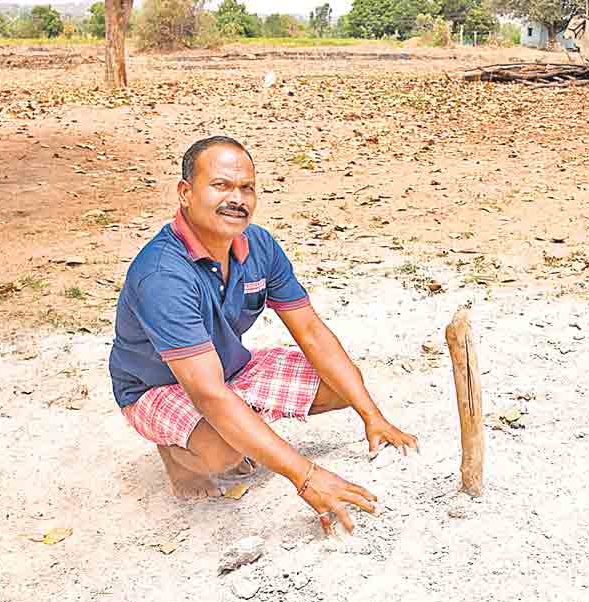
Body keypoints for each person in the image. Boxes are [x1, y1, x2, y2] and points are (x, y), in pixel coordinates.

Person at [109, 136, 418, 534]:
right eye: (220, 185)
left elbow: (309, 329)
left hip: (225, 368)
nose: (236, 198)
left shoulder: (258, 245)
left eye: (246, 188)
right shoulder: (163, 276)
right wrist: (306, 476)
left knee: (341, 385)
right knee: (224, 453)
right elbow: (207, 393)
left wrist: (373, 417)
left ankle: (237, 427)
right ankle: (178, 452)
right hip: (156, 386)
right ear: (186, 193)